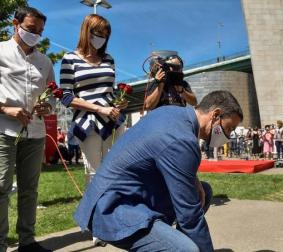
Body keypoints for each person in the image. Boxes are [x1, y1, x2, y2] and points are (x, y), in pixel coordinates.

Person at [74, 91, 243, 252]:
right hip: (111, 210)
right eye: (229, 128)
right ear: (215, 114)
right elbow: (190, 216)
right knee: (186, 249)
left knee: (202, 191)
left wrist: (193, 179)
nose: (228, 135)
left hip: (121, 196)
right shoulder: (182, 140)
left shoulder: (172, 113)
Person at [59, 14, 127, 246]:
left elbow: (112, 90)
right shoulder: (70, 59)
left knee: (115, 171)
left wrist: (118, 103)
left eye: (105, 34)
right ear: (86, 31)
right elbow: (66, 97)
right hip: (88, 123)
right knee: (94, 173)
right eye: (97, 33)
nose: (101, 38)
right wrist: (98, 109)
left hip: (113, 121)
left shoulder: (108, 59)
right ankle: (97, 223)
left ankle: (111, 216)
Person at [0, 7, 54, 252]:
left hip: (35, 132)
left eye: (40, 32)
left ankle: (27, 242)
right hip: (4, 131)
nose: (36, 36)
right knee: (1, 187)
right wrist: (5, 109)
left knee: (29, 189)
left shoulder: (45, 61)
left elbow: (53, 96)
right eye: (31, 30)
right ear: (15, 24)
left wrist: (48, 106)